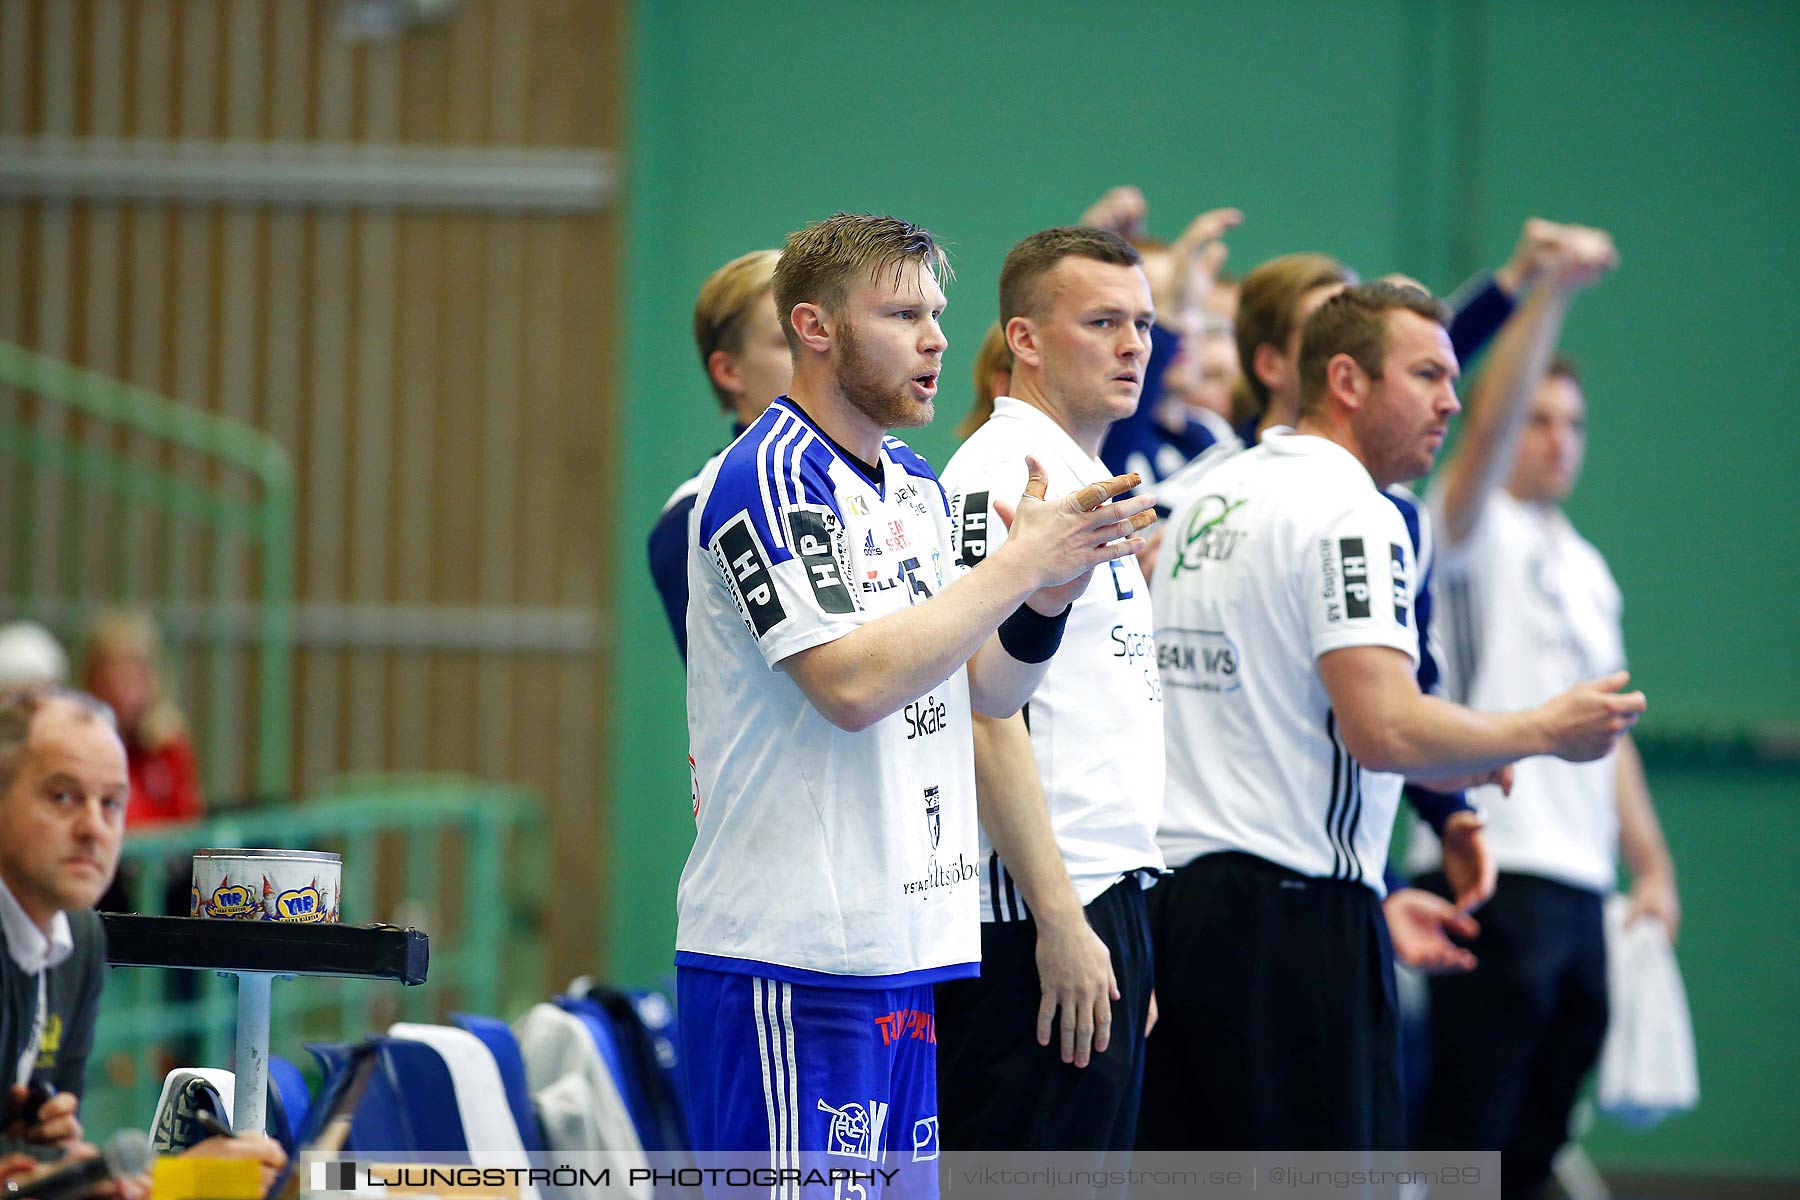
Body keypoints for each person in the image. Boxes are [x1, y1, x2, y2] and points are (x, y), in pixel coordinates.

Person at [675, 213, 1154, 1178]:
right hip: (793, 958)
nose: (937, 337)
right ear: (815, 327)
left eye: (936, 312)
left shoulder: (915, 483)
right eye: (901, 313)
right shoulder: (768, 475)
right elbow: (850, 685)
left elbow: (989, 688)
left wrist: (1044, 592)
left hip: (906, 949)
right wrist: (1014, 563)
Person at [1140, 282, 1647, 1151]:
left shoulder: (1205, 497)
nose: (1451, 398)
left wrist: (1385, 886)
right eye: (1427, 374)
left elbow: (1281, 722)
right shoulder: (1357, 515)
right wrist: (1545, 731)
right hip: (1293, 922)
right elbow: (1385, 729)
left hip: (1179, 914)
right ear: (1346, 379)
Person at [1409, 233, 1678, 1198]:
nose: (1556, 437)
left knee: (1538, 1140)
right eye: (1539, 418)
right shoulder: (1467, 526)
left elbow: (1613, 730)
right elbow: (1484, 431)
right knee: (1464, 1137)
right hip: (1492, 864)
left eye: (1574, 423)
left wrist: (1648, 864)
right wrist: (1550, 295)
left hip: (1578, 886)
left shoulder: (1588, 566)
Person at [935, 227, 1164, 1154]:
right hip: (1031, 911)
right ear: (1024, 339)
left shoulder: (1087, 482)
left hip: (1102, 895)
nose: (1133, 345)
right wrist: (1064, 924)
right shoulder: (1004, 475)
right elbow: (983, 715)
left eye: (1144, 323)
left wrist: (1119, 932)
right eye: (1103, 321)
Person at [0, 684, 283, 1186]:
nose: (94, 827)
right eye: (63, 796)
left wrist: (179, 1183)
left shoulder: (79, 939)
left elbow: (52, 1179)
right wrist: (178, 1180)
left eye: (112, 803)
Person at [647, 249, 791, 660]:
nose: (819, 353)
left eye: (822, 332)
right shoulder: (695, 513)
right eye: (787, 341)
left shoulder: (889, 480)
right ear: (729, 371)